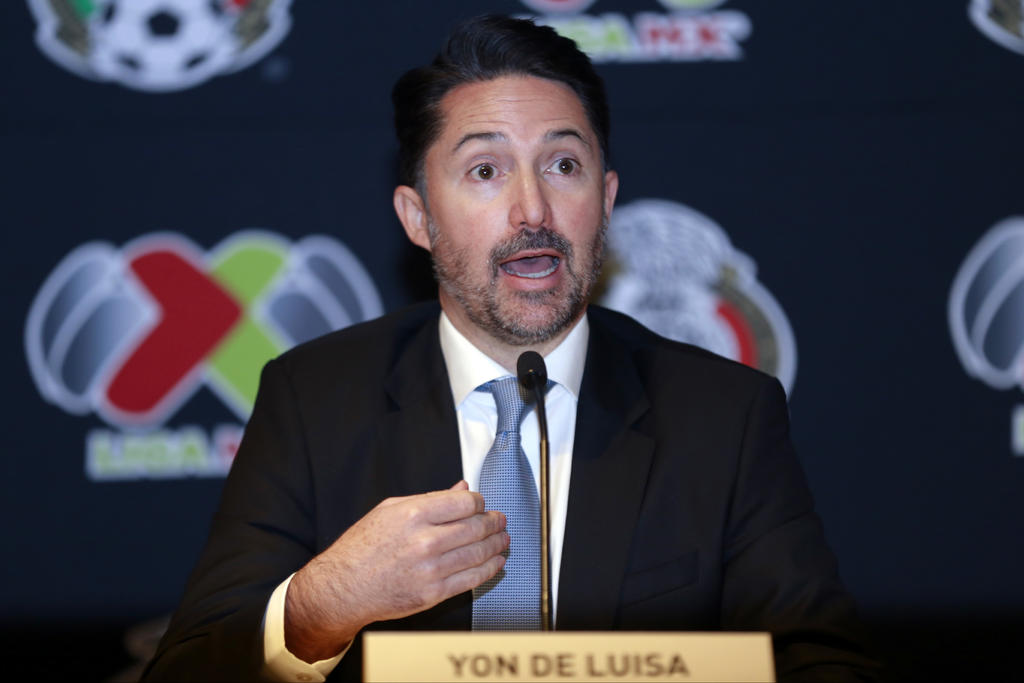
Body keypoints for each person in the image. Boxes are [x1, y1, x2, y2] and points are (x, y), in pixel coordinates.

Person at [143, 15, 877, 683]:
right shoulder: (313, 400)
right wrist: (321, 605)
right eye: (486, 171)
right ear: (418, 217)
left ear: (606, 200)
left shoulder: (722, 414)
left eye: (563, 165)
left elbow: (821, 661)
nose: (533, 210)